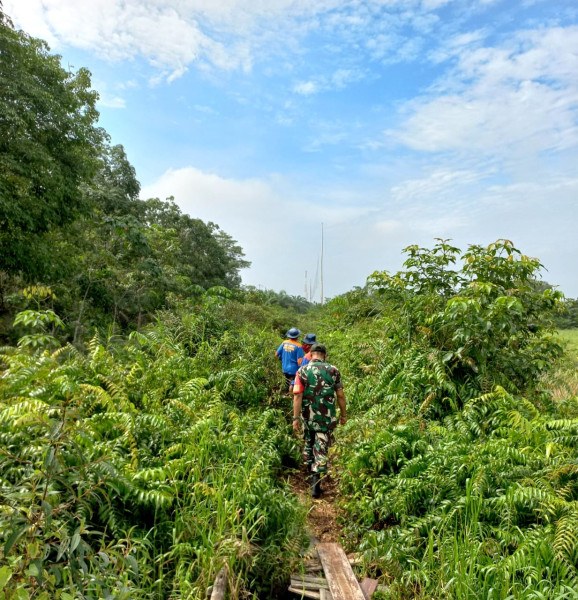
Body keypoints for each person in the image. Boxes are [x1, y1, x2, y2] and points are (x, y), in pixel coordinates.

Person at [292, 343, 347, 498]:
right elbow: (340, 396)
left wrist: (296, 418)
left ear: (309, 355)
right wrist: (343, 415)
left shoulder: (301, 371)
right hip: (326, 417)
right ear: (325, 355)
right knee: (321, 446)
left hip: (307, 417)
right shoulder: (333, 370)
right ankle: (316, 484)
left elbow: (297, 396)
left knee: (309, 442)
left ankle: (311, 477)